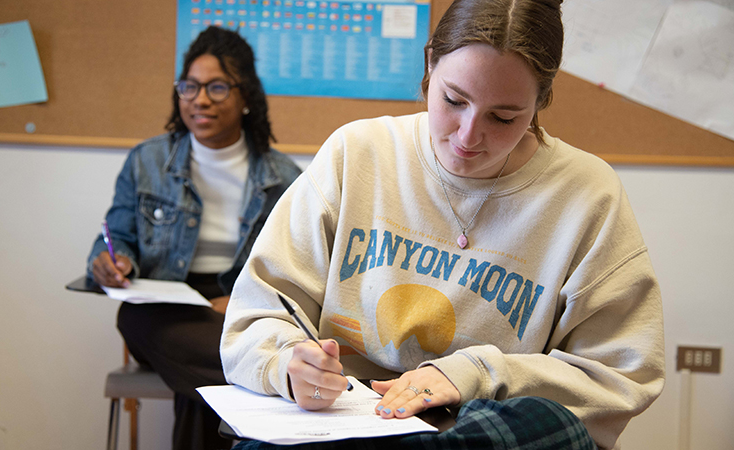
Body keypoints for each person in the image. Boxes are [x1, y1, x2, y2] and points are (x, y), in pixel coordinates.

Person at [220, 0, 666, 448]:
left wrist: (474, 374)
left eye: (503, 117)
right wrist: (289, 366)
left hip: (476, 428)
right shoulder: (357, 153)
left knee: (548, 425)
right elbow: (258, 315)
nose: (468, 136)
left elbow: (620, 376)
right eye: (453, 100)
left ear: (541, 100)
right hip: (344, 422)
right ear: (430, 64)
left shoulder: (588, 193)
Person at [86, 26, 302, 450]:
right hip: (162, 310)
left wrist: (239, 303)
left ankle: (276, 376)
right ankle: (287, 379)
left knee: (203, 391)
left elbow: (295, 271)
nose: (200, 99)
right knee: (143, 319)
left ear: (245, 98)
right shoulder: (146, 162)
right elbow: (117, 235)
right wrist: (111, 261)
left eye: (217, 87)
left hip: (240, 309)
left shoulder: (284, 178)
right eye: (190, 86)